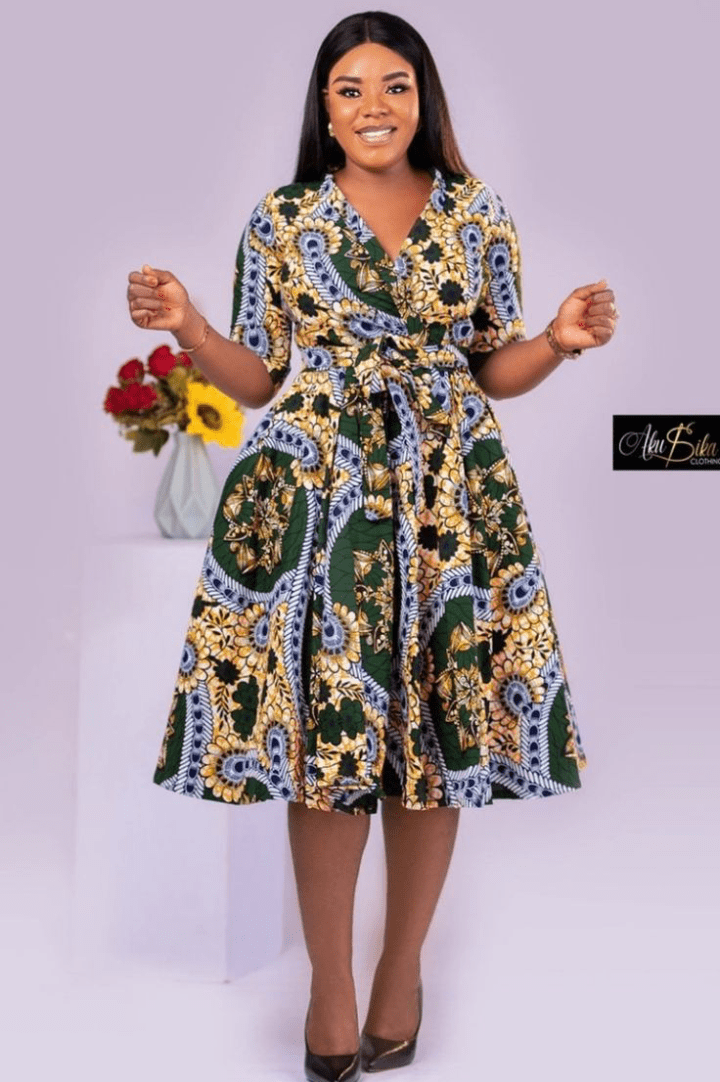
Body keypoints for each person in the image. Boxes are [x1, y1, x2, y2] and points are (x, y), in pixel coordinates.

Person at [126, 11, 617, 1081]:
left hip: (449, 493)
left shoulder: (478, 212)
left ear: (424, 97)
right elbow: (261, 380)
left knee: (435, 729)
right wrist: (191, 328)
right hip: (321, 495)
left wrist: (557, 343)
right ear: (324, 108)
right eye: (350, 89)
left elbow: (491, 368)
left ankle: (401, 967)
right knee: (333, 734)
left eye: (395, 84)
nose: (375, 106)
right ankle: (331, 985)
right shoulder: (283, 217)